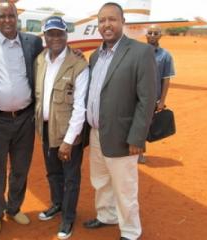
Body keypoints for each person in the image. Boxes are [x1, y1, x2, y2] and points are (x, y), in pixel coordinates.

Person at [82, 3, 157, 240]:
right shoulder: (95, 55)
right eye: (102, 20)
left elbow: (147, 99)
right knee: (101, 180)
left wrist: (137, 137)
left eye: (112, 19)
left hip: (123, 135)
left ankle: (131, 231)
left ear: (122, 21)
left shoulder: (140, 52)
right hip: (96, 132)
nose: (107, 25)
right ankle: (106, 216)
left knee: (125, 187)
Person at [0, 1, 44, 237]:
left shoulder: (33, 42)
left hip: (25, 118)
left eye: (11, 16)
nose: (7, 20)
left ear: (17, 17)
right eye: (2, 16)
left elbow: (47, 64)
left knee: (21, 168)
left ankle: (14, 208)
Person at [34, 16, 89, 240]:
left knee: (70, 177)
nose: (55, 38)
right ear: (44, 36)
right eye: (51, 34)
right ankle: (56, 204)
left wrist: (68, 140)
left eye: (59, 33)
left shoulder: (79, 65)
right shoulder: (39, 60)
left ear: (67, 36)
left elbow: (80, 107)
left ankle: (68, 217)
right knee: (52, 172)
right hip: (47, 129)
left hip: (69, 133)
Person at [138, 24, 176, 164]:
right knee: (133, 125)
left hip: (152, 99)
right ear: (146, 35)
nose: (152, 35)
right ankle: (135, 151)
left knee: (144, 126)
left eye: (155, 33)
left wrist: (161, 100)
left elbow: (166, 80)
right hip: (135, 96)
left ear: (160, 35)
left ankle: (140, 153)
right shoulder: (138, 52)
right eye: (150, 33)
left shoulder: (165, 55)